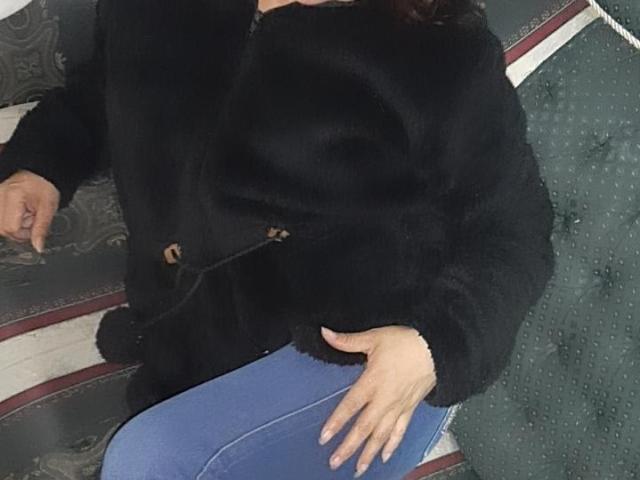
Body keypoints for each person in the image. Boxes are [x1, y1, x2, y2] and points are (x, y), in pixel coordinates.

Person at [0, 0, 555, 478]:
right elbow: (107, 87)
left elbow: (516, 227)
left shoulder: (439, 50)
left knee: (150, 459)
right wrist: (43, 162)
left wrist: (435, 347)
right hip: (187, 334)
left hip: (367, 354)